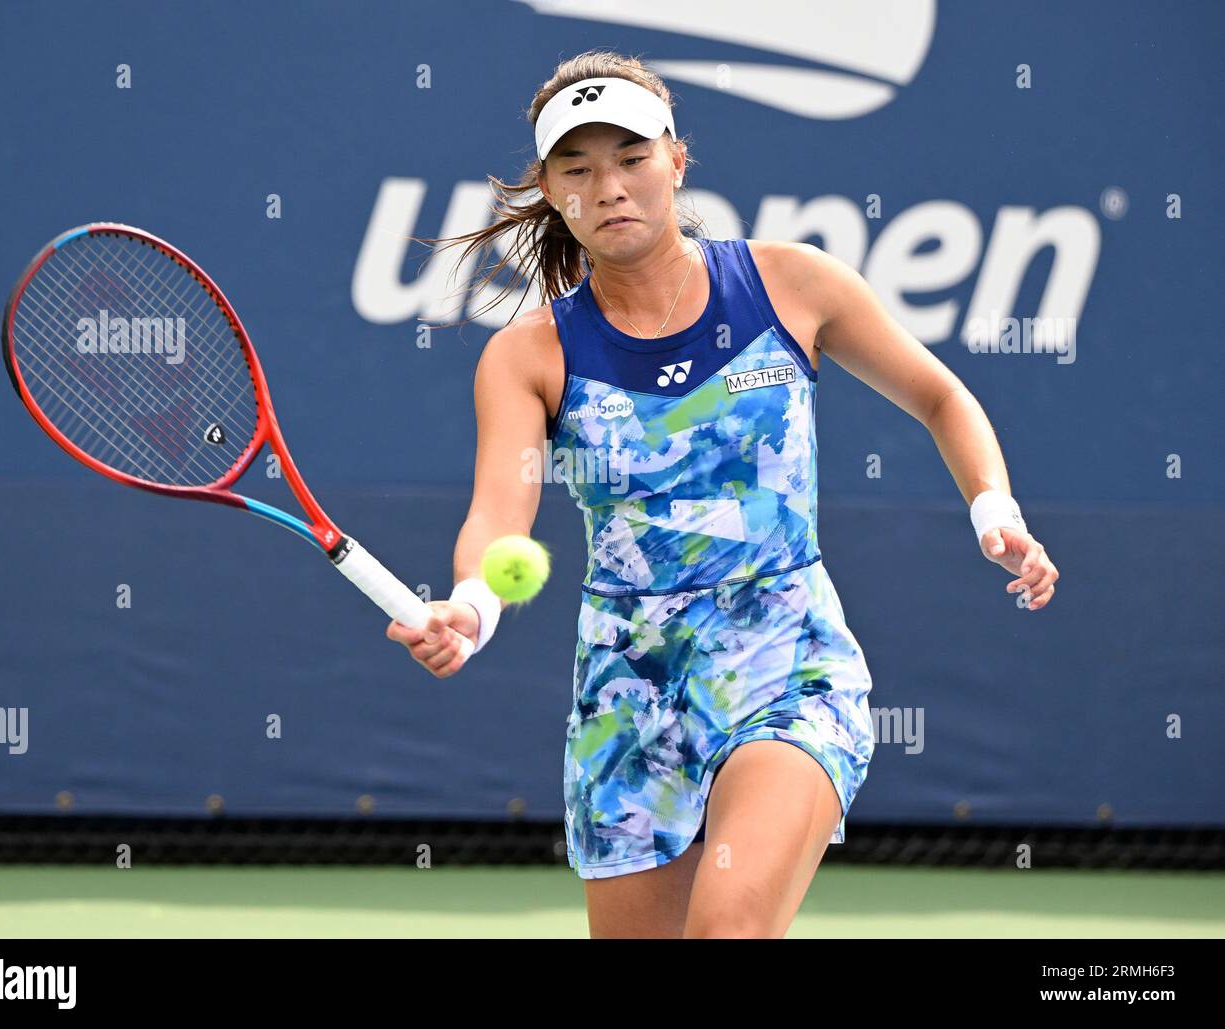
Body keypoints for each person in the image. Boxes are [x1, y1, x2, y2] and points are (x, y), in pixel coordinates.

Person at [387, 51, 1059, 938]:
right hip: (628, 689)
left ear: (675, 158)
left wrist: (993, 508)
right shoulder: (528, 353)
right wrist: (473, 606)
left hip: (788, 657)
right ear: (550, 189)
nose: (610, 186)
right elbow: (496, 517)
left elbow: (942, 396)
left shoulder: (791, 283)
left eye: (631, 156)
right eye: (579, 168)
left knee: (728, 929)